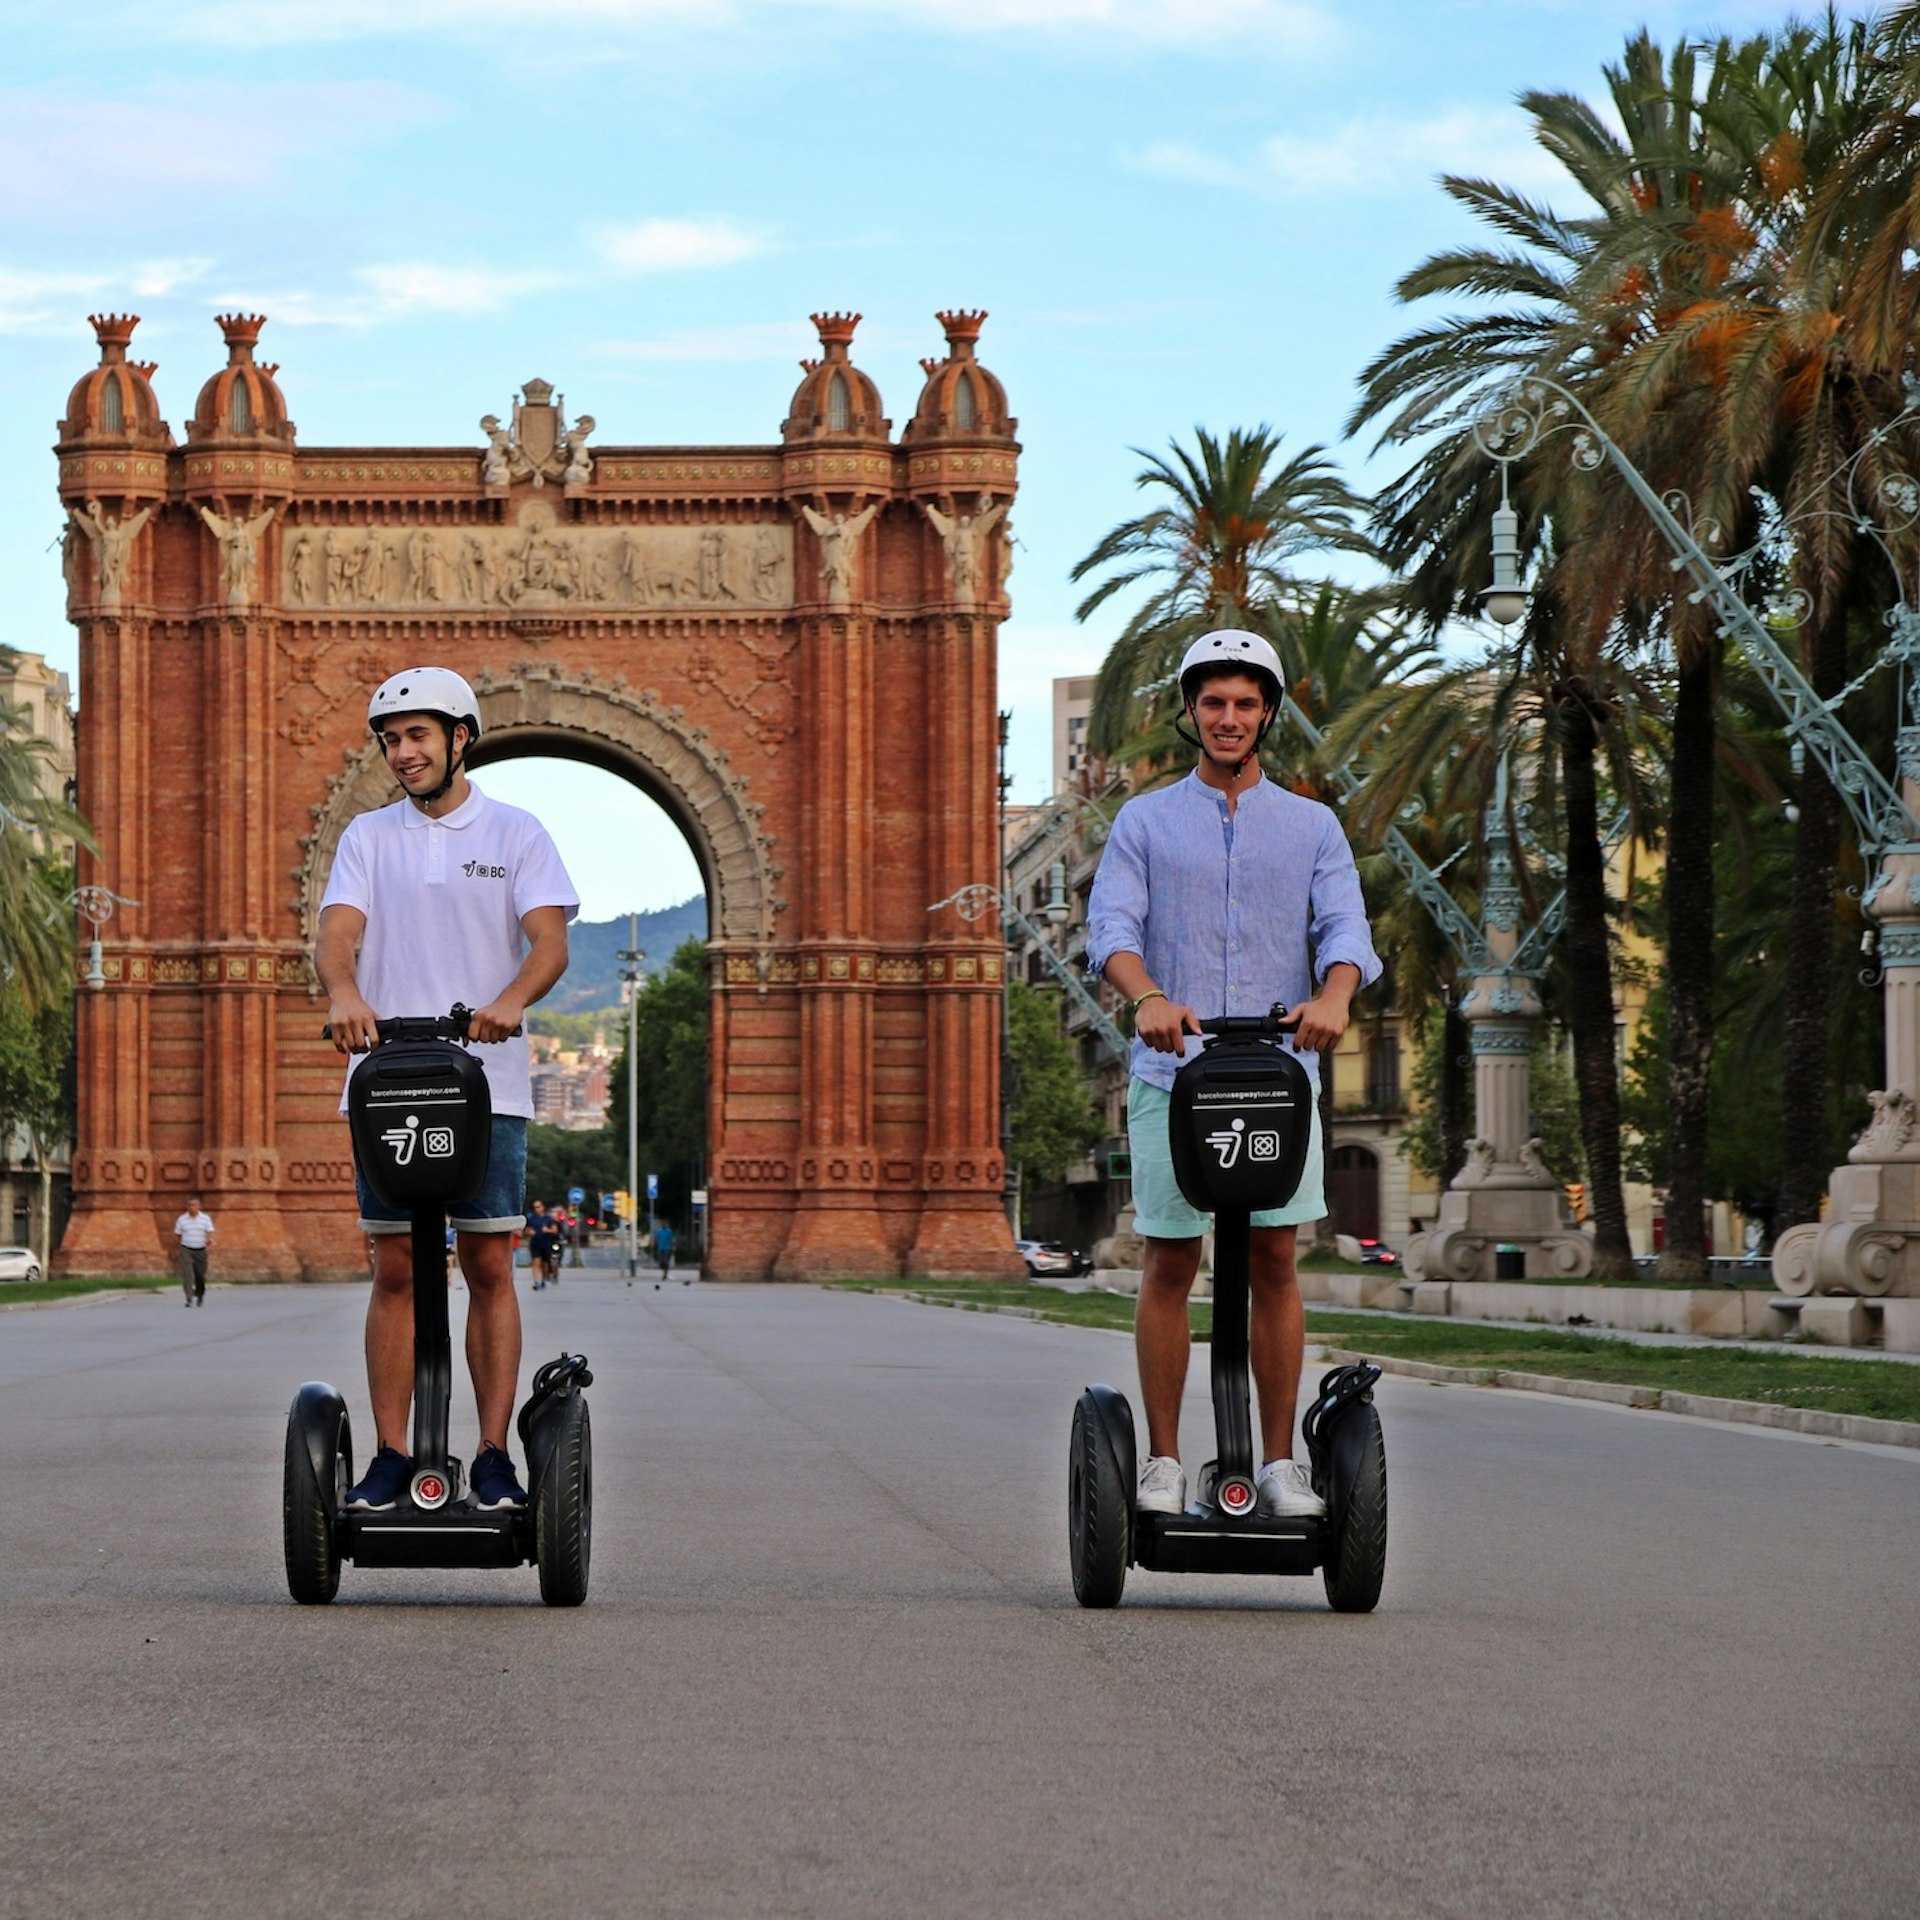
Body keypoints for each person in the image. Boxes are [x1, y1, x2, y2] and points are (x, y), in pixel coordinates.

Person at [1085, 629, 1381, 1522]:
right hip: (1172, 1076)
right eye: (1213, 702)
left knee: (1276, 1257)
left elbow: (1345, 934)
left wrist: (1334, 998)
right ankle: (1166, 1460)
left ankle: (1284, 1461)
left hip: (1279, 1075)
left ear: (1267, 715)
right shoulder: (1143, 822)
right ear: (1189, 712)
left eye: (1245, 704)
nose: (1228, 718)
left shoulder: (1312, 825)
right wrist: (1148, 997)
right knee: (1171, 1259)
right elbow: (1113, 930)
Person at [318, 666, 578, 1514]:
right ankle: (392, 1456)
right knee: (395, 1265)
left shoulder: (517, 832)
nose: (403, 753)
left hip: (487, 1083)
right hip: (386, 1080)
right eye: (392, 740)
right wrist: (346, 995)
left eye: (418, 736)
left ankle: (495, 1453)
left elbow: (548, 943)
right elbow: (337, 934)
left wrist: (508, 1004)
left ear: (461, 737)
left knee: (490, 1260)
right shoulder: (368, 837)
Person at [172, 1197, 214, 1307]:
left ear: (199, 1206)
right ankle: (189, 1298)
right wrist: (180, 1246)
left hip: (200, 1248)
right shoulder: (182, 1219)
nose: (192, 1207)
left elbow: (209, 1231)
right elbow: (178, 1234)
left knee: (200, 1274)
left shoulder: (205, 1219)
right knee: (187, 1273)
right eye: (189, 1205)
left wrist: (208, 1239)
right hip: (186, 1248)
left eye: (194, 1205)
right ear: (186, 1206)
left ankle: (199, 1295)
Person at [527, 1199, 560, 1291]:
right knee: (535, 1263)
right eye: (535, 1207)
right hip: (535, 1243)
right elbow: (526, 1230)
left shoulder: (548, 1219)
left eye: (538, 1207)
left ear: (542, 1207)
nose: (536, 1209)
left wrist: (547, 1230)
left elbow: (555, 1230)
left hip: (546, 1243)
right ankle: (536, 1282)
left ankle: (543, 1280)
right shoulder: (531, 1218)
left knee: (545, 1264)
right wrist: (530, 1232)